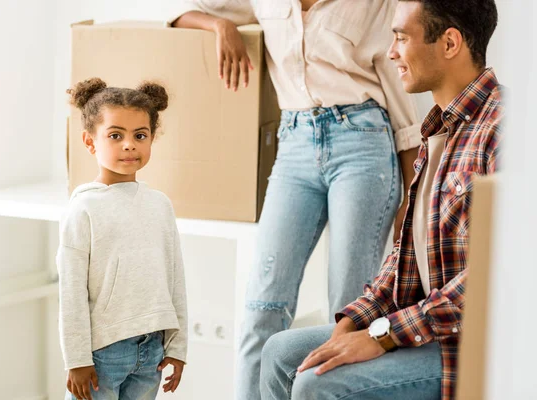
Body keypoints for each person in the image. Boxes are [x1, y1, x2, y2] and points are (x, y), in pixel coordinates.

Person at [169, 1, 422, 398]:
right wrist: (220, 25)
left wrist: (413, 194)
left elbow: (396, 84)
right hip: (294, 145)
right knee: (261, 309)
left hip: (364, 142)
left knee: (349, 312)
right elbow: (181, 9)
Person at [260, 0, 502, 399]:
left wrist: (385, 335)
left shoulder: (503, 130)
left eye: (402, 37)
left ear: (450, 43)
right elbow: (405, 261)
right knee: (281, 352)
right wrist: (353, 322)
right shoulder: (437, 132)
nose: (391, 52)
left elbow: (492, 278)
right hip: (425, 328)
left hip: (467, 342)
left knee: (316, 384)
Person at [57, 78, 187, 400]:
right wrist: (76, 359)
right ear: (90, 142)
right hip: (102, 354)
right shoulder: (83, 209)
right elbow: (71, 291)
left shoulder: (160, 205)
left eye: (139, 136)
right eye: (116, 135)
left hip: (151, 352)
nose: (129, 145)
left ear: (152, 139)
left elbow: (175, 279)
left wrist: (177, 346)